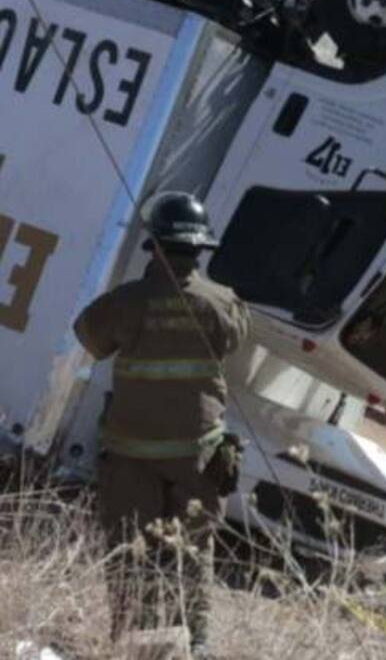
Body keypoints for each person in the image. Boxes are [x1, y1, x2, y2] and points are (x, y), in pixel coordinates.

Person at [73, 191, 250, 659]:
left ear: (154, 245)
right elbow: (234, 337)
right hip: (199, 455)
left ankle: (134, 644)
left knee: (130, 550)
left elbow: (87, 337)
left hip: (132, 455)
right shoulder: (224, 303)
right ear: (200, 248)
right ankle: (199, 644)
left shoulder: (127, 303)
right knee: (193, 552)